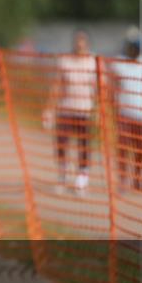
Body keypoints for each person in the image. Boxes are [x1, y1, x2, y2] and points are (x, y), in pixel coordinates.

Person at [44, 30, 97, 195]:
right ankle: (63, 174)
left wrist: (101, 110)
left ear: (87, 44)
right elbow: (57, 85)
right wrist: (49, 108)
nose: (80, 45)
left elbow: (99, 88)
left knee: (84, 145)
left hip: (84, 110)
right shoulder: (65, 61)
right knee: (61, 143)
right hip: (65, 109)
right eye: (77, 42)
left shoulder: (93, 62)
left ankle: (82, 178)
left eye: (83, 42)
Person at [108, 33, 142, 193]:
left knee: (140, 149)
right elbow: (112, 86)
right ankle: (122, 179)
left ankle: (137, 178)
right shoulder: (119, 63)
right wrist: (111, 105)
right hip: (124, 113)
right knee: (123, 147)